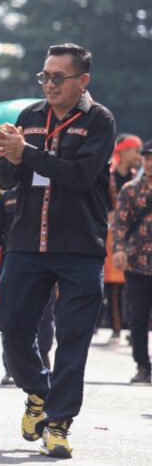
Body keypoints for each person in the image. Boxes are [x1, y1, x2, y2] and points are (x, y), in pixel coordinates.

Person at [0, 43, 115, 459]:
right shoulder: (28, 118)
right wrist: (7, 155)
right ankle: (39, 392)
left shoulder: (99, 121)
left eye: (58, 77)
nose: (49, 84)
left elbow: (79, 176)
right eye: (44, 75)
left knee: (74, 338)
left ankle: (59, 424)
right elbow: (9, 178)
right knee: (11, 327)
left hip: (80, 246)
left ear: (83, 81)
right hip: (26, 242)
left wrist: (27, 153)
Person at [112, 139, 152, 384]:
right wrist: (118, 249)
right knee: (137, 317)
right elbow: (120, 224)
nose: (150, 161)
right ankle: (142, 364)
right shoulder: (130, 190)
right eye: (147, 157)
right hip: (137, 262)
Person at [104, 134, 142, 342]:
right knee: (113, 283)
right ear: (124, 151)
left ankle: (133, 326)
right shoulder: (108, 176)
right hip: (111, 234)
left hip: (136, 236)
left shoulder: (138, 178)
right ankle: (116, 326)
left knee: (133, 282)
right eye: (135, 150)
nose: (138, 155)